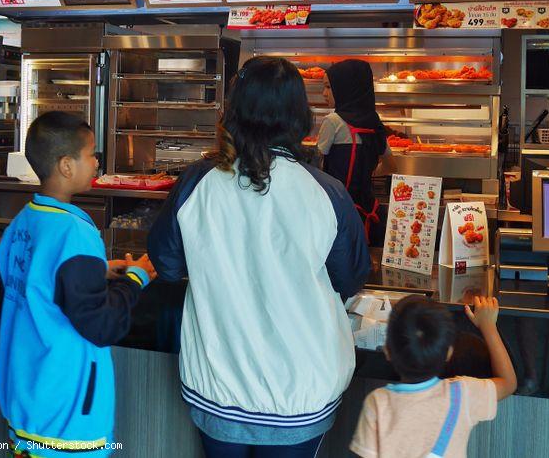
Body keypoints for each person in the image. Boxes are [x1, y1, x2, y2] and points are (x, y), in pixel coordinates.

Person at [149, 56, 370, 457]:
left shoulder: (197, 181)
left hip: (217, 388)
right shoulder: (327, 191)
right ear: (298, 114)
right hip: (300, 393)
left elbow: (167, 264)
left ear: (233, 109)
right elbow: (351, 277)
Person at [0, 111, 157, 457]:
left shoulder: (25, 221)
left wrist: (95, 270)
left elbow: (36, 282)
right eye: (91, 154)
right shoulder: (74, 233)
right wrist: (135, 279)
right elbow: (101, 324)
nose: (97, 162)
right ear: (66, 166)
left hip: (27, 403)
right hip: (66, 417)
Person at [350, 295, 517, 458]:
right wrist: (488, 327)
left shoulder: (378, 404)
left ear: (387, 350)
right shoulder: (462, 395)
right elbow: (508, 383)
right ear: (449, 353)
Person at [318, 59, 390, 243]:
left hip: (337, 209)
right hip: (367, 209)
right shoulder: (374, 122)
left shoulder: (332, 121)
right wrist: (368, 173)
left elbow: (318, 167)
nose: (323, 93)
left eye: (328, 87)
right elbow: (391, 165)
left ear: (344, 88)